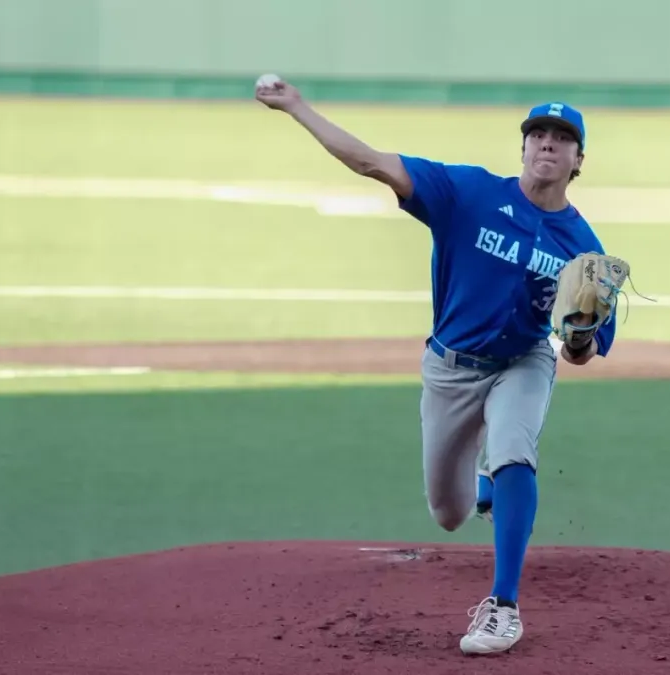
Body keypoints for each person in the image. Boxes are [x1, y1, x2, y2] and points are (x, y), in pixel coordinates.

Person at [254, 80, 619, 654]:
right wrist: (298, 107)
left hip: (522, 362)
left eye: (562, 139)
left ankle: (503, 607)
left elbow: (584, 350)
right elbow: (372, 162)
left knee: (514, 451)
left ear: (579, 161)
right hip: (449, 369)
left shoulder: (584, 248)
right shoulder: (468, 193)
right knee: (448, 514)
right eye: (538, 135)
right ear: (522, 148)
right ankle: (485, 484)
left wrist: (577, 338)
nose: (547, 145)